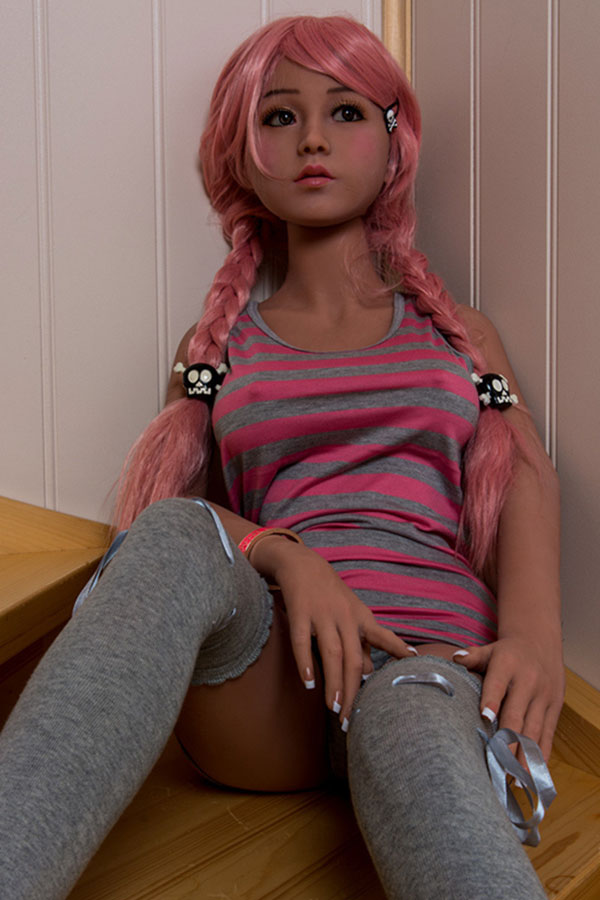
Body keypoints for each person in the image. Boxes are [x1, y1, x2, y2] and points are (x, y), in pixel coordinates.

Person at [0, 15, 563, 900]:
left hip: (436, 664)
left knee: (409, 717)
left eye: (345, 112)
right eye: (279, 116)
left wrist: (534, 637)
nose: (311, 139)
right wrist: (287, 557)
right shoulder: (218, 345)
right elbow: (175, 528)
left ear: (395, 143)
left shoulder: (458, 334)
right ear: (244, 153)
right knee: (175, 534)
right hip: (274, 685)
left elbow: (524, 475)